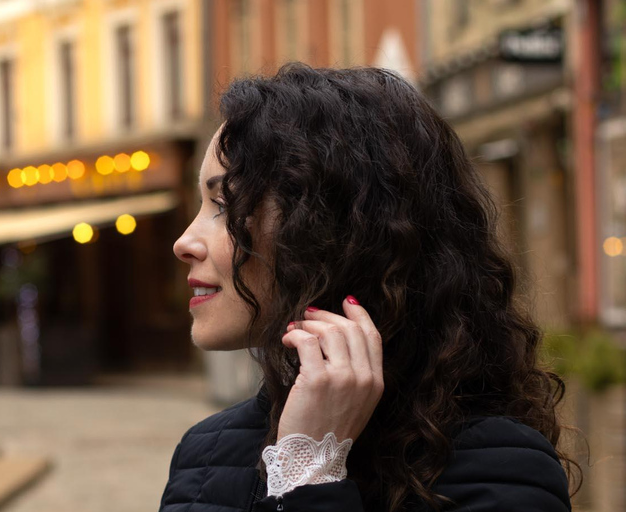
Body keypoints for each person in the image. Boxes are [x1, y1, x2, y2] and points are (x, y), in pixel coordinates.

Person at [161, 63, 579, 512]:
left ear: (334, 232)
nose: (184, 242)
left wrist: (309, 475)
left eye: (226, 205)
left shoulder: (500, 465)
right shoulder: (202, 454)